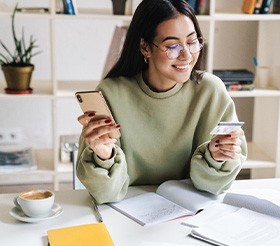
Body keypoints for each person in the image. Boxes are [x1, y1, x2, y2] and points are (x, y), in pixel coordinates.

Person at [76, 0, 247, 204]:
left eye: (192, 42)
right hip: (126, 211)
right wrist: (104, 156)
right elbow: (106, 194)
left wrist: (216, 157)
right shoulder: (111, 93)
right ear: (145, 47)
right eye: (172, 46)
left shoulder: (211, 91)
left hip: (191, 210)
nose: (186, 55)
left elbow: (214, 188)